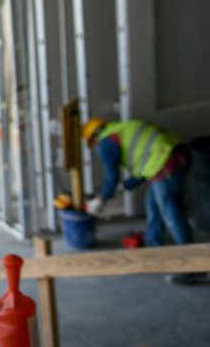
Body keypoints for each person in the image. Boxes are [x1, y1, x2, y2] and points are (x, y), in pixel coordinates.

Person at [83, 118, 200, 284]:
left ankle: (192, 266)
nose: (95, 147)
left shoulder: (106, 141)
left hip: (165, 162)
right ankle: (153, 247)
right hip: (177, 154)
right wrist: (124, 186)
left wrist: (101, 199)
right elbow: (144, 169)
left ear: (94, 138)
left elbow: (111, 177)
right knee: (152, 204)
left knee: (171, 213)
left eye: (92, 144)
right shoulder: (123, 129)